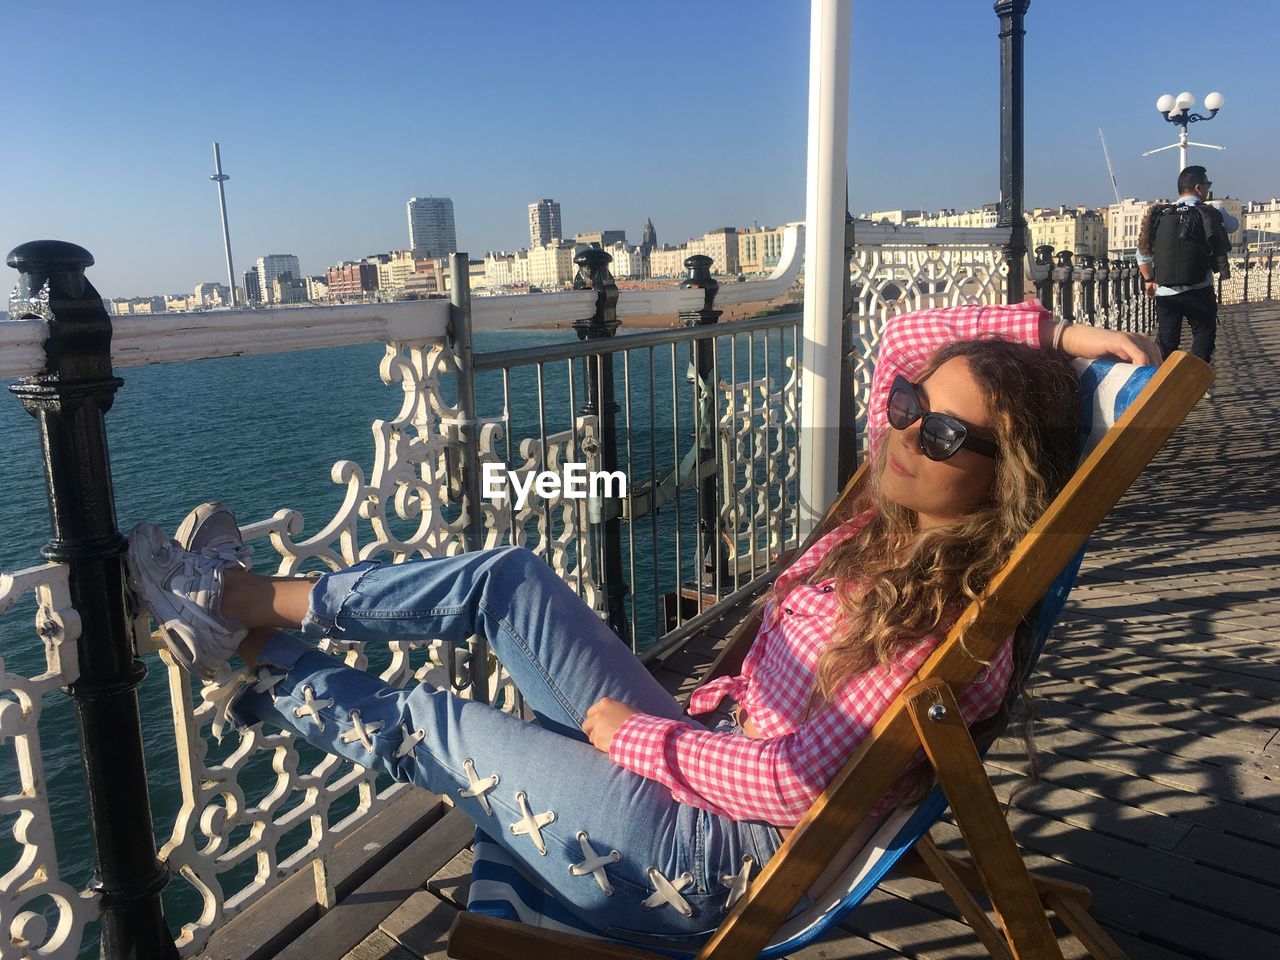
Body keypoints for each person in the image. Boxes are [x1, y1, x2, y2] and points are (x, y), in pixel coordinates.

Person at [127, 303, 1159, 942]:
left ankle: (264, 660)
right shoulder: (890, 528)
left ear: (1003, 480)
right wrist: (1056, 339)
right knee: (510, 575)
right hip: (698, 751)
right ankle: (238, 601)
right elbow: (899, 335)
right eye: (900, 407)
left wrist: (635, 737)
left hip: (708, 854)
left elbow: (797, 781)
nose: (899, 431)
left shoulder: (946, 628)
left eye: (939, 432)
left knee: (433, 724)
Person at [1136, 165, 1237, 388]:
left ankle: (1162, 385)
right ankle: (1195, 379)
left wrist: (1149, 280)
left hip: (1165, 292)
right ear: (1199, 187)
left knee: (1167, 341)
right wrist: (1217, 208)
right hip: (1199, 289)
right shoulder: (1212, 211)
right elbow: (1233, 225)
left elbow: (1142, 255)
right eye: (1208, 186)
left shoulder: (1159, 215)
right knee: (1204, 331)